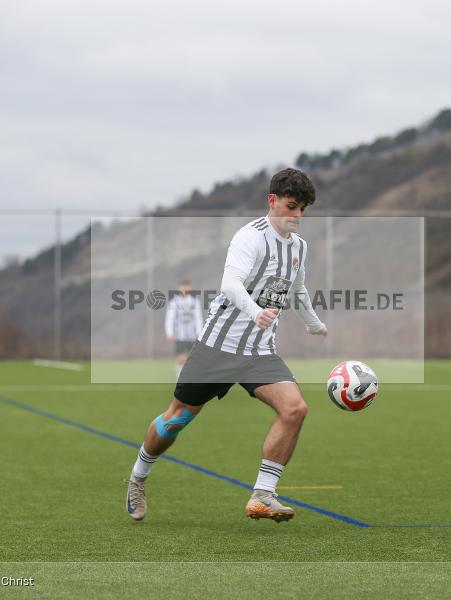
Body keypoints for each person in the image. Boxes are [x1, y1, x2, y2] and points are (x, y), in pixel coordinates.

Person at [126, 167, 327, 522]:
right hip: (217, 347)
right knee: (176, 420)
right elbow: (230, 285)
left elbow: (297, 289)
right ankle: (138, 477)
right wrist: (254, 312)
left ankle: (263, 495)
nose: (297, 216)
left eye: (303, 210)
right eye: (292, 206)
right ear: (273, 201)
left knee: (295, 408)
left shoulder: (299, 247)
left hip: (259, 352)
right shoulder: (249, 238)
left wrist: (313, 323)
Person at [164, 279, 203, 380]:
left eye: (186, 287)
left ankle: (192, 379)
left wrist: (199, 333)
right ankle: (179, 379)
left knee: (193, 359)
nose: (185, 289)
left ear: (189, 288)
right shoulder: (174, 302)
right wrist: (169, 333)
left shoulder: (195, 302)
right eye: (182, 287)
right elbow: (170, 318)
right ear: (179, 288)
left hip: (192, 336)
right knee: (181, 359)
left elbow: (198, 318)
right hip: (179, 336)